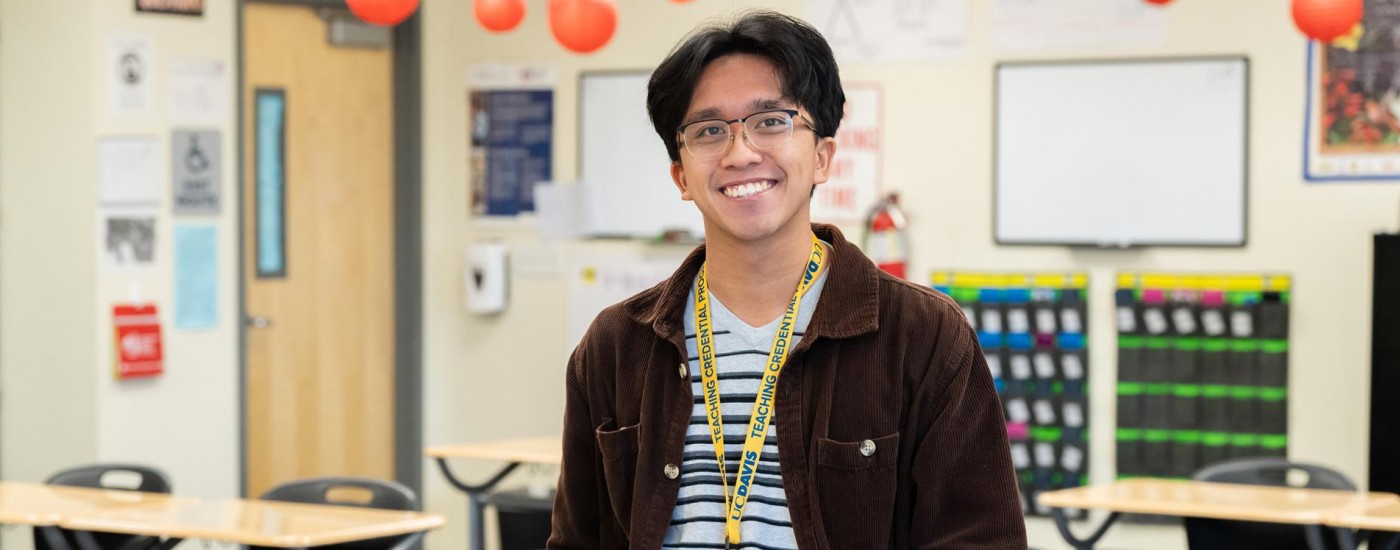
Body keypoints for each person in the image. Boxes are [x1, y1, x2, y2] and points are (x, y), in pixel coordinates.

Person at [549, 10, 1026, 549]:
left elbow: (982, 539)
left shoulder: (923, 336)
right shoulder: (615, 347)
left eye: (771, 121)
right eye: (708, 130)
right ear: (681, 176)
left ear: (822, 156)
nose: (740, 153)